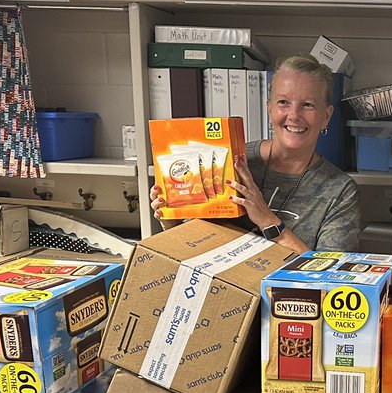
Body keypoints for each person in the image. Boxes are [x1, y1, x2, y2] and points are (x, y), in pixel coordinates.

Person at [151, 54, 360, 252]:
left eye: (307, 105)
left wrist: (268, 221)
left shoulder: (339, 191)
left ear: (326, 116)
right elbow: (190, 247)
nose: (294, 115)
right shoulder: (229, 159)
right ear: (270, 109)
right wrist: (171, 218)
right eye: (283, 102)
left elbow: (330, 277)